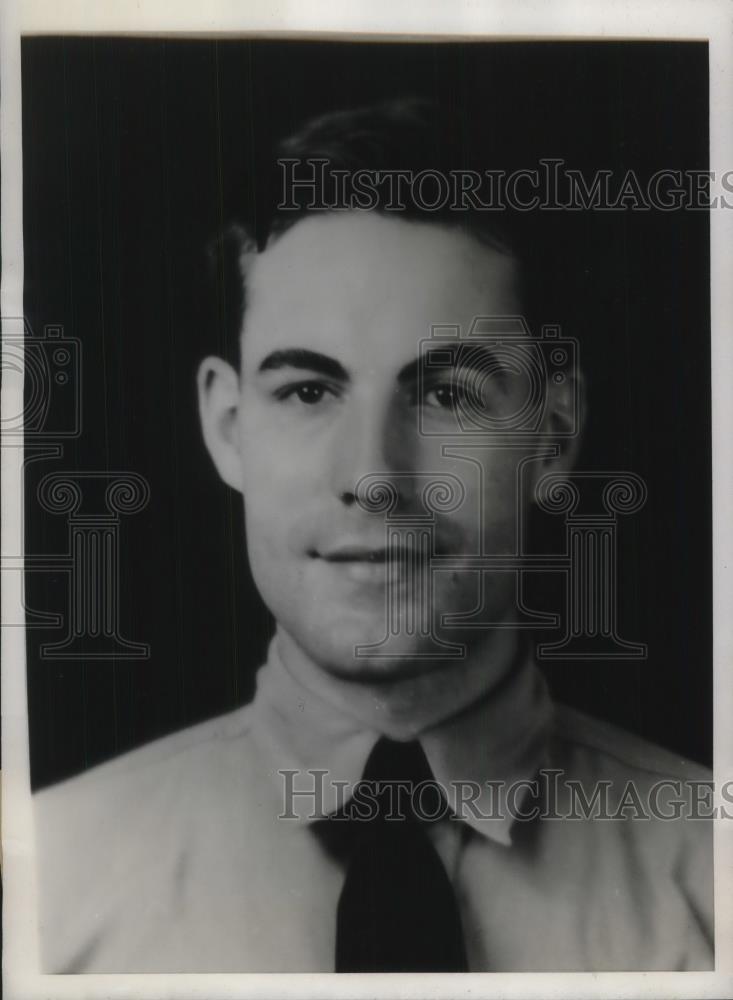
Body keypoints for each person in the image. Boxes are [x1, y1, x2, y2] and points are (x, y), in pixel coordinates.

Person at [34, 99, 713, 973]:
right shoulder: (50, 886)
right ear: (227, 426)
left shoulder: (710, 881)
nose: (375, 475)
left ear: (553, 432)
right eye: (309, 392)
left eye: (445, 393)